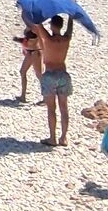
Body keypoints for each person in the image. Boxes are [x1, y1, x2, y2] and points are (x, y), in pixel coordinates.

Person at [32, 14, 79, 145]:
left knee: (51, 108)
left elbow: (38, 25)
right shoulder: (66, 39)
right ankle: (64, 137)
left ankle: (52, 138)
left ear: (52, 25)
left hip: (50, 75)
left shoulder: (48, 39)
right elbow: (70, 29)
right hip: (63, 74)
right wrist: (70, 16)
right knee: (64, 108)